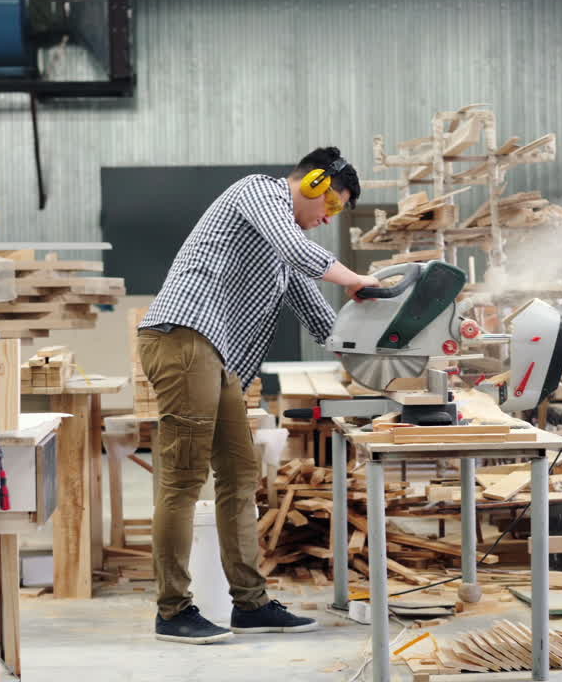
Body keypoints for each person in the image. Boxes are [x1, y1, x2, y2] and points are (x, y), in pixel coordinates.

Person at [137, 147, 380, 644]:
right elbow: (300, 254)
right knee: (184, 479)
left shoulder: (282, 246)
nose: (326, 218)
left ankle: (249, 604)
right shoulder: (259, 192)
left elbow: (318, 314)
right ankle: (173, 611)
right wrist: (355, 278)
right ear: (312, 182)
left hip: (216, 354)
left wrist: (374, 357)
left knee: (239, 477)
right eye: (330, 205)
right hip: (184, 337)